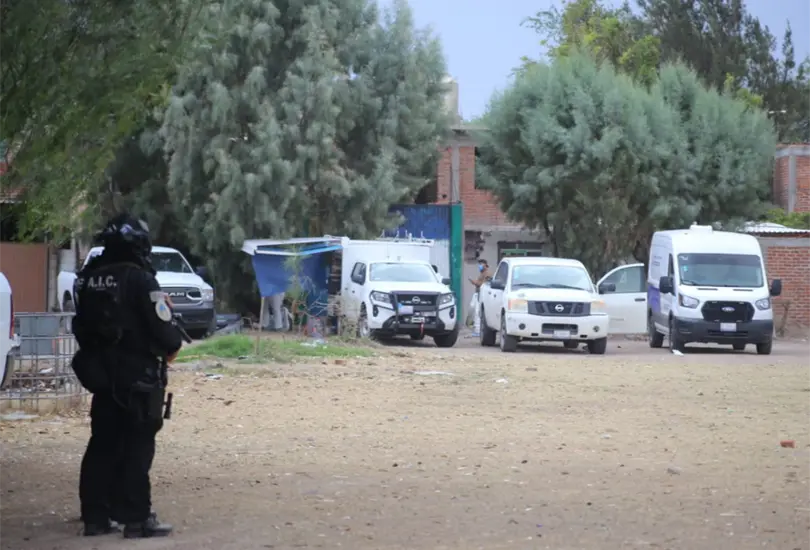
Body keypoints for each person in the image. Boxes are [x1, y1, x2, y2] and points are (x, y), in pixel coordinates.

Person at [71, 213, 183, 538]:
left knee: (102, 444)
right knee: (137, 446)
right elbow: (169, 341)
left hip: (102, 380)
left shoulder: (90, 278)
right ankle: (136, 518)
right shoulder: (141, 279)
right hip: (138, 379)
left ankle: (95, 517)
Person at [468, 258, 491, 336]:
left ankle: (478, 331)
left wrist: (473, 281)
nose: (479, 266)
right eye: (479, 264)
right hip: (477, 294)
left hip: (481, 295)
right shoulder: (482, 273)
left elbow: (482, 285)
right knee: (473, 310)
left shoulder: (487, 274)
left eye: (481, 264)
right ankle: (475, 328)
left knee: (478, 312)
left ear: (485, 265)